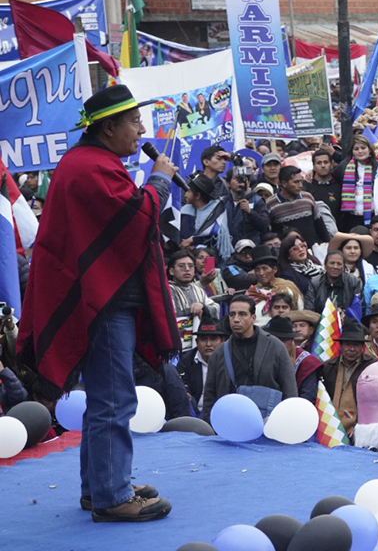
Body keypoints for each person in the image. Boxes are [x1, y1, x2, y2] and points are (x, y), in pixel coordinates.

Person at [16, 85, 180, 522]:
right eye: (133, 122)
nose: (140, 130)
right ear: (109, 128)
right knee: (114, 400)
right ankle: (111, 497)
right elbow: (136, 218)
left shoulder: (89, 163)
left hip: (101, 298)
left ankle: (103, 485)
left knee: (105, 400)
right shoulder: (91, 169)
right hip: (103, 303)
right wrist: (160, 180)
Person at [200, 295, 299, 420]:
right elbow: (210, 396)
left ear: (253, 318)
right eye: (232, 314)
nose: (236, 319)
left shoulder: (275, 347)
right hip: (229, 420)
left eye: (242, 314)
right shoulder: (219, 353)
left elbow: (289, 389)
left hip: (268, 421)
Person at [320, 319, 377, 438]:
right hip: (330, 424)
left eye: (356, 345)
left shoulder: (371, 367)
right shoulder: (328, 367)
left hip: (359, 427)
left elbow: (374, 401)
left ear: (362, 347)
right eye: (347, 344)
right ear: (341, 345)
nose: (351, 349)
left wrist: (359, 426)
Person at [176, 313, 228, 417]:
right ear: (196, 341)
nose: (208, 344)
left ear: (222, 341)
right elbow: (182, 387)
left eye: (213, 339)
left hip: (222, 413)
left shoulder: (230, 360)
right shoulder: (186, 360)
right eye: (203, 339)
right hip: (192, 413)